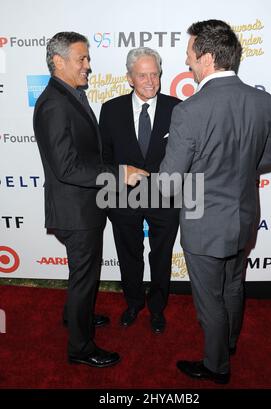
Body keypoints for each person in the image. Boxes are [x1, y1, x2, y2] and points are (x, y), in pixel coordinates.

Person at [159, 20, 271, 383]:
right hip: (245, 217)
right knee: (233, 286)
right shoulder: (263, 102)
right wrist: (238, 166)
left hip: (205, 223)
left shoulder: (189, 110)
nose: (187, 63)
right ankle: (228, 343)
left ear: (208, 57)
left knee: (210, 299)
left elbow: (168, 183)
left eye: (190, 56)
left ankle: (217, 365)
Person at [33, 31, 147, 368]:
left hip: (83, 206)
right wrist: (118, 173)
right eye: (81, 59)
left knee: (82, 275)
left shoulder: (70, 94)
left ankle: (75, 317)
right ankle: (80, 348)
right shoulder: (54, 103)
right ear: (58, 61)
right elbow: (67, 167)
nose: (88, 66)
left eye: (87, 59)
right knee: (84, 278)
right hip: (75, 211)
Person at [99, 47, 181, 333]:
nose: (150, 81)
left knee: (161, 255)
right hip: (122, 197)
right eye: (142, 75)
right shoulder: (111, 109)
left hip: (165, 197)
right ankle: (133, 302)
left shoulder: (177, 108)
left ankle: (157, 308)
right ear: (129, 78)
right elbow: (105, 158)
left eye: (155, 74)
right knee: (128, 253)